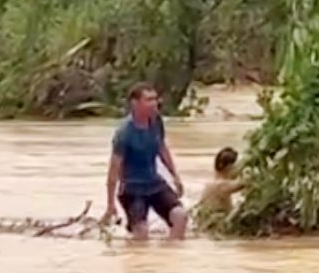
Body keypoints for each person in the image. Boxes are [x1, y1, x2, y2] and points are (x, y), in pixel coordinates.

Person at [99, 82, 187, 240]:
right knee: (141, 233)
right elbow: (113, 170)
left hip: (154, 184)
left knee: (180, 216)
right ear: (135, 103)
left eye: (155, 99)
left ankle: (171, 252)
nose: (154, 103)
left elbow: (162, 148)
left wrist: (175, 176)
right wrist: (110, 204)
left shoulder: (156, 121)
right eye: (149, 100)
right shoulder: (124, 133)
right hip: (132, 190)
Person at [198, 147, 245, 216]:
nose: (238, 169)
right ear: (228, 167)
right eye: (235, 166)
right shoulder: (221, 185)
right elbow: (244, 182)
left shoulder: (210, 184)